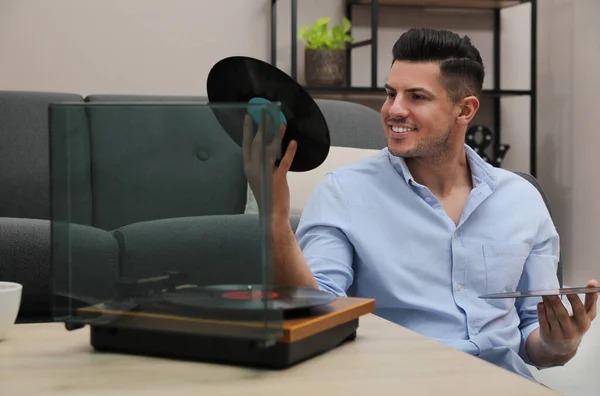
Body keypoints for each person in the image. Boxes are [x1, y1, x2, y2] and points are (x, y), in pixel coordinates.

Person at [242, 28, 598, 381]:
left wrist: (561, 342)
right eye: (390, 93)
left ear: (465, 110)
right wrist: (275, 218)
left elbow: (535, 341)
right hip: (397, 382)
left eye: (416, 97)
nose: (394, 110)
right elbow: (316, 309)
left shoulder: (521, 199)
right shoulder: (344, 191)